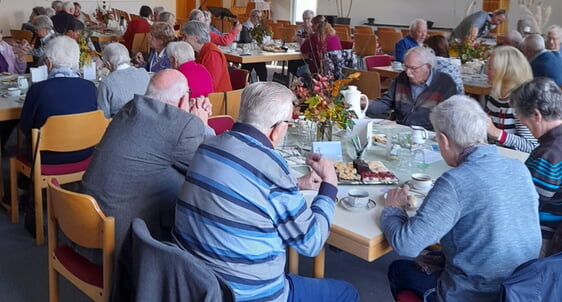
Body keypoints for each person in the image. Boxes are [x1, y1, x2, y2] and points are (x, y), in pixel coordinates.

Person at [173, 81, 359, 302]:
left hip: (198, 285)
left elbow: (243, 185)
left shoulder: (208, 146)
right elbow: (311, 242)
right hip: (248, 294)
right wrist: (329, 185)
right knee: (347, 293)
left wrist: (297, 183)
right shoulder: (272, 169)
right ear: (277, 129)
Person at [383, 95, 541, 302]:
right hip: (522, 290)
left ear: (443, 141)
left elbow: (406, 245)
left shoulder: (454, 183)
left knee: (398, 268)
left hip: (474, 294)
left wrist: (393, 209)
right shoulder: (518, 168)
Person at [81, 69, 214, 264]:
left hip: (83, 227)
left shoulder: (129, 109)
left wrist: (187, 119)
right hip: (121, 244)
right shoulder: (184, 127)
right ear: (183, 100)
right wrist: (200, 123)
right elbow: (207, 170)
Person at [20, 36, 97, 164]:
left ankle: (26, 181)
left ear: (49, 63)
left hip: (46, 156)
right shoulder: (90, 87)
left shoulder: (38, 89)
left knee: (27, 142)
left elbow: (25, 127)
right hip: (85, 152)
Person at [510, 78, 562, 254]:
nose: (522, 123)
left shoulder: (550, 154)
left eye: (520, 116)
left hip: (544, 234)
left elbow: (526, 207)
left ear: (536, 115)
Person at [366, 46, 458, 130]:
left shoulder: (445, 83)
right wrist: (365, 103)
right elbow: (386, 102)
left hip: (429, 134)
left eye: (413, 68)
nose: (408, 72)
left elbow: (449, 119)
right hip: (400, 130)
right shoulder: (402, 78)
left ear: (428, 67)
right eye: (406, 67)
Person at [484, 45, 537, 153]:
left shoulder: (522, 100)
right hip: (495, 155)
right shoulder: (495, 92)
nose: (485, 72)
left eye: (490, 68)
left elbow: (532, 147)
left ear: (505, 72)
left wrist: (497, 133)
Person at [97, 42, 150, 117]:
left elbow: (102, 116)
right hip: (145, 122)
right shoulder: (144, 73)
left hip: (120, 125)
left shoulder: (106, 82)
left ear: (108, 65)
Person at [182, 20, 232, 92]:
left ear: (195, 38)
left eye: (185, 37)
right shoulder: (197, 52)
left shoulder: (212, 54)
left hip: (216, 98)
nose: (183, 41)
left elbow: (211, 85)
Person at [238, 9, 268, 81]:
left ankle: (262, 88)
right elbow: (247, 41)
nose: (259, 19)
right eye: (257, 17)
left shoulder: (258, 26)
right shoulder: (245, 27)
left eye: (260, 17)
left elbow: (265, 38)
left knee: (263, 71)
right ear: (251, 17)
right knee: (246, 72)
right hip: (247, 54)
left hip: (257, 54)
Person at [289, 9, 315, 76]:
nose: (306, 21)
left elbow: (311, 42)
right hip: (299, 51)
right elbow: (295, 39)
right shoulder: (300, 27)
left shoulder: (314, 29)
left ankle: (302, 79)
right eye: (304, 19)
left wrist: (301, 40)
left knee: (295, 65)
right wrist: (303, 40)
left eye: (308, 18)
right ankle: (299, 78)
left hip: (310, 55)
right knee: (291, 63)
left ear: (312, 19)